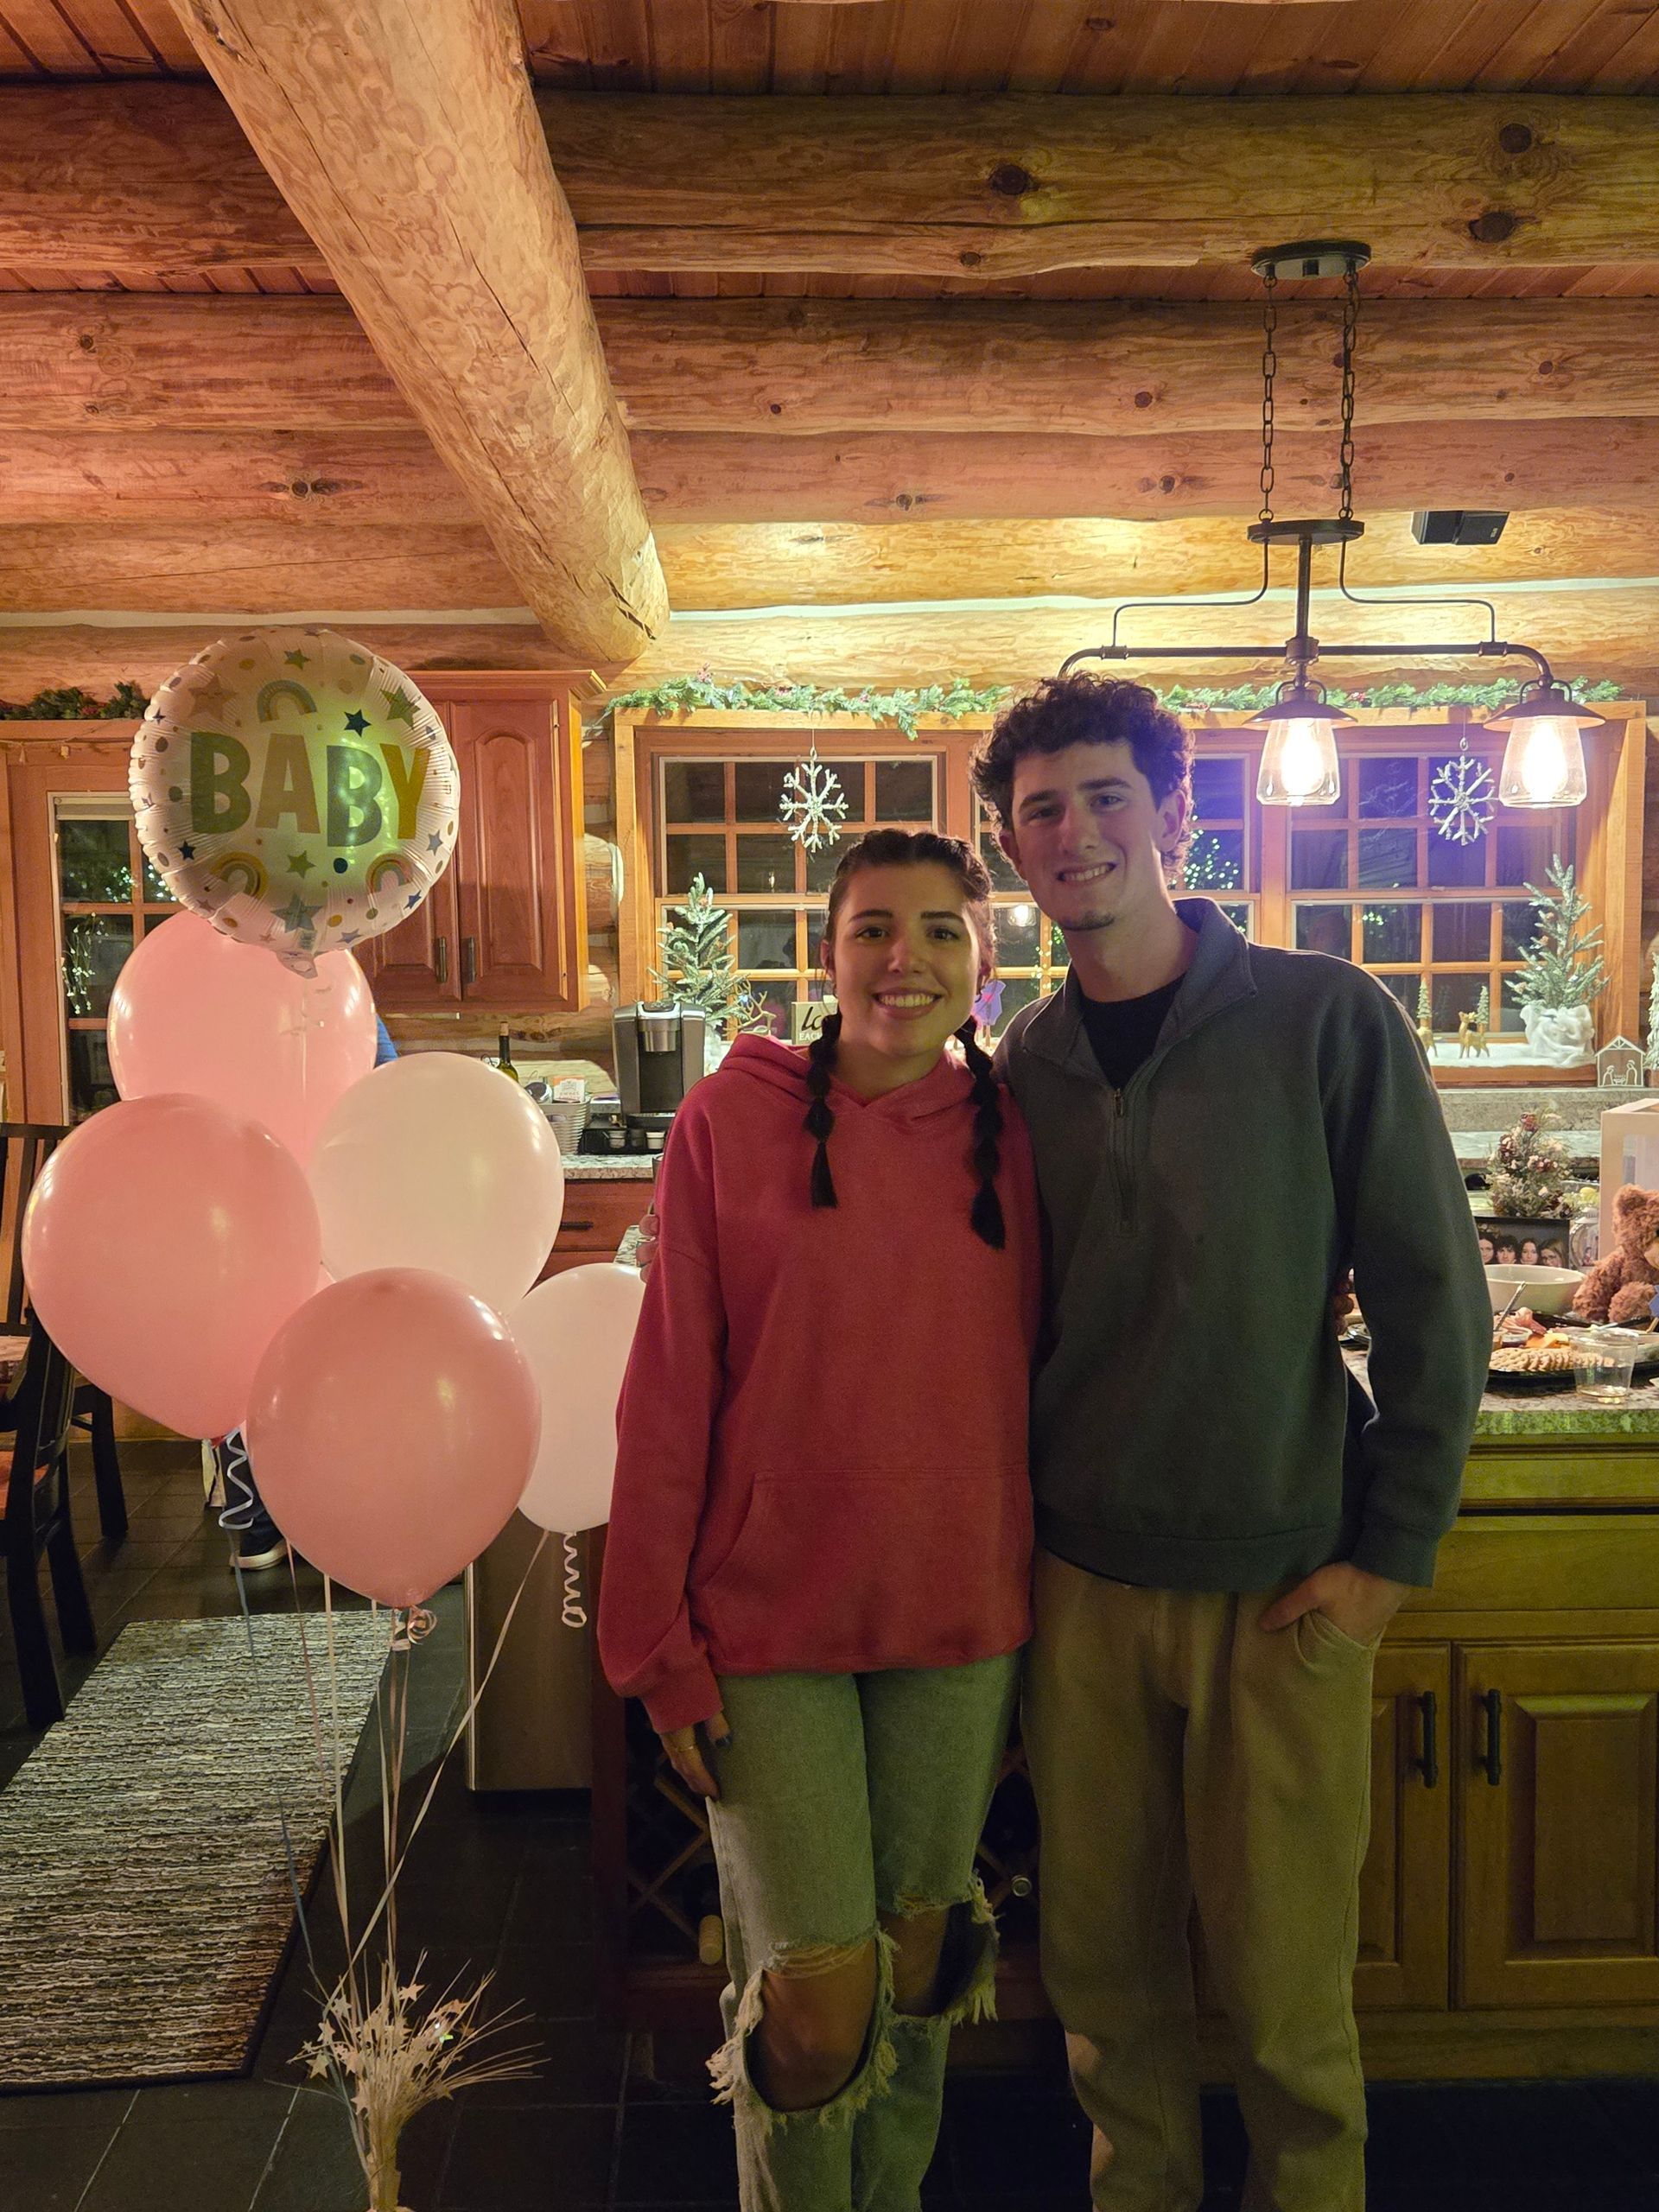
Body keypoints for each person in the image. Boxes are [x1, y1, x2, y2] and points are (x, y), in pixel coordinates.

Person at [971, 675, 1490, 2212]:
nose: (1075, 835)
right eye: (1042, 813)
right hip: (1079, 1596)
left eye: (1106, 799)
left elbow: (1431, 1302)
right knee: (1109, 2006)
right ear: (1015, 852)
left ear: (1177, 815)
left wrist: (1390, 1560)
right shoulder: (1023, 1073)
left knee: (1284, 2012)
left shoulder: (1327, 1020)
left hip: (1284, 1594)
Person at [598, 829, 1041, 2212]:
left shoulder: (1015, 1135)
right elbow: (667, 1391)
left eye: (939, 931)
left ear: (983, 958)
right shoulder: (727, 1124)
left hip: (958, 1618)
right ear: (829, 951)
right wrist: (652, 1642)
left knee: (918, 1962)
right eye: (872, 929)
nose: (905, 959)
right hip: (766, 1625)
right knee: (815, 1997)